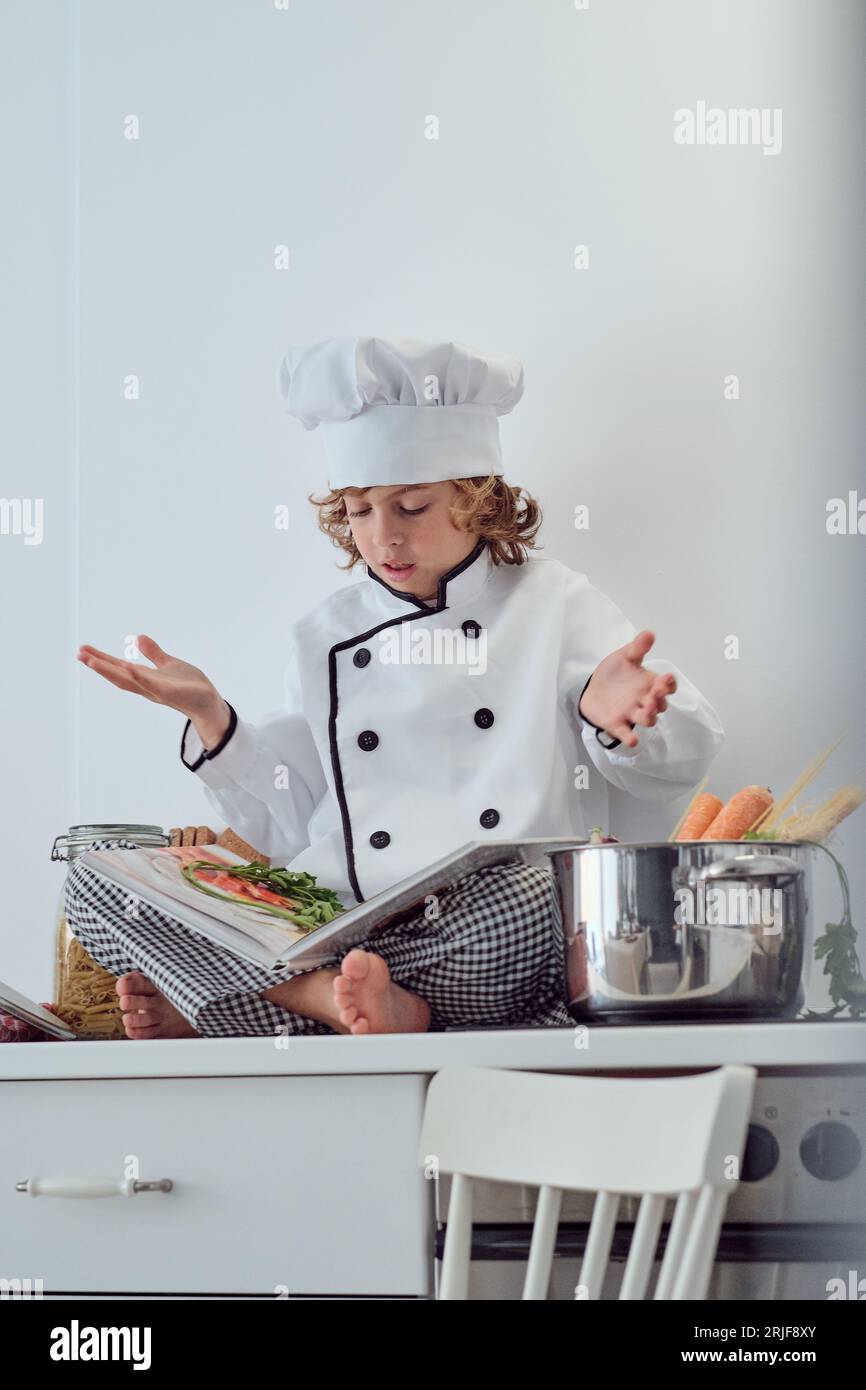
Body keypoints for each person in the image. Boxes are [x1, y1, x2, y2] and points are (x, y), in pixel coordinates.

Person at [65, 335, 724, 1041]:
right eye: (358, 510)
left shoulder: (553, 603)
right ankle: (324, 1000)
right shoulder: (324, 633)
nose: (384, 539)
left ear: (478, 499)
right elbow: (286, 823)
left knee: (528, 899)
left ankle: (256, 1006)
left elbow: (684, 758)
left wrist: (617, 718)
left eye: (410, 507)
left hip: (473, 937)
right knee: (97, 880)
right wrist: (211, 718)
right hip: (332, 934)